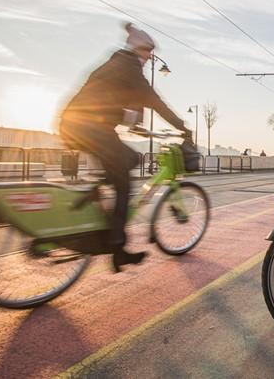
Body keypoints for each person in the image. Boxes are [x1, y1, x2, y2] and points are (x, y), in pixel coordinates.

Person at [60, 23, 192, 271]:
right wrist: (182, 126)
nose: (149, 57)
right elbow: (154, 101)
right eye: (147, 51)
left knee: (130, 159)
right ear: (136, 49)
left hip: (77, 125)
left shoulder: (116, 64)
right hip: (88, 127)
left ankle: (95, 196)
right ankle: (117, 246)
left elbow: (112, 100)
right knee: (123, 182)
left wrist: (134, 123)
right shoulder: (129, 67)